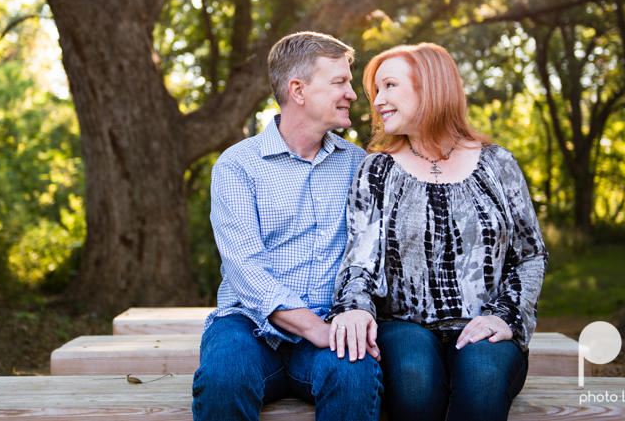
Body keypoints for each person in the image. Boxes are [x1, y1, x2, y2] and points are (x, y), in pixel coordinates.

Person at [328, 43, 548, 421]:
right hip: (404, 326)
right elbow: (359, 259)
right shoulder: (376, 170)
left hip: (485, 322)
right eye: (376, 90)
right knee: (416, 383)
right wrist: (354, 310)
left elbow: (530, 255)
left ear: (430, 86)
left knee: (482, 377)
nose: (378, 101)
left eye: (390, 86)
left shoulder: (499, 164)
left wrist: (505, 315)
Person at [192, 32, 383, 421]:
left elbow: (369, 255)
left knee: (354, 377)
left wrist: (345, 322)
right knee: (223, 377)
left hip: (331, 324)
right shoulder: (237, 165)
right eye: (339, 83)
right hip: (248, 325)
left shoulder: (357, 163)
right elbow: (244, 268)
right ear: (298, 90)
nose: (352, 93)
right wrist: (314, 328)